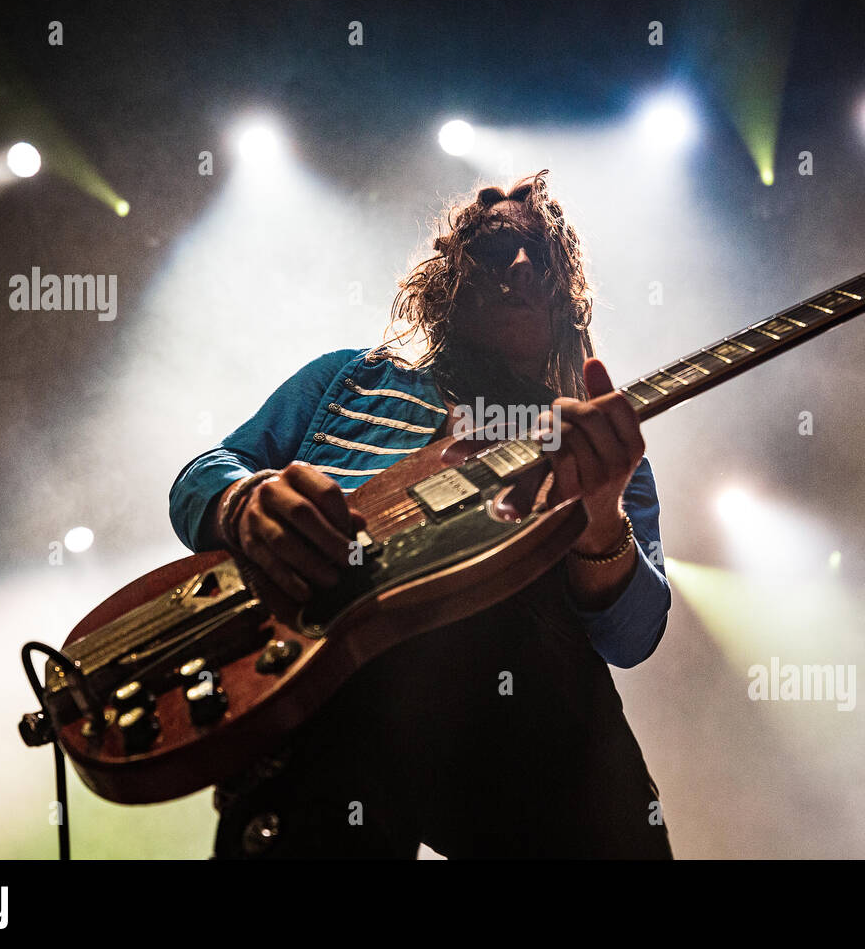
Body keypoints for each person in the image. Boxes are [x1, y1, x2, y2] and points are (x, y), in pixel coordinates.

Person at [169, 170, 673, 858]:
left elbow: (633, 635)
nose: (521, 266)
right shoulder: (348, 379)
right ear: (451, 281)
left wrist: (600, 516)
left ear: (564, 298)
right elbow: (202, 475)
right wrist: (242, 503)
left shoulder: (600, 444)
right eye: (496, 252)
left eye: (541, 257)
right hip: (333, 680)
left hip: (530, 716)